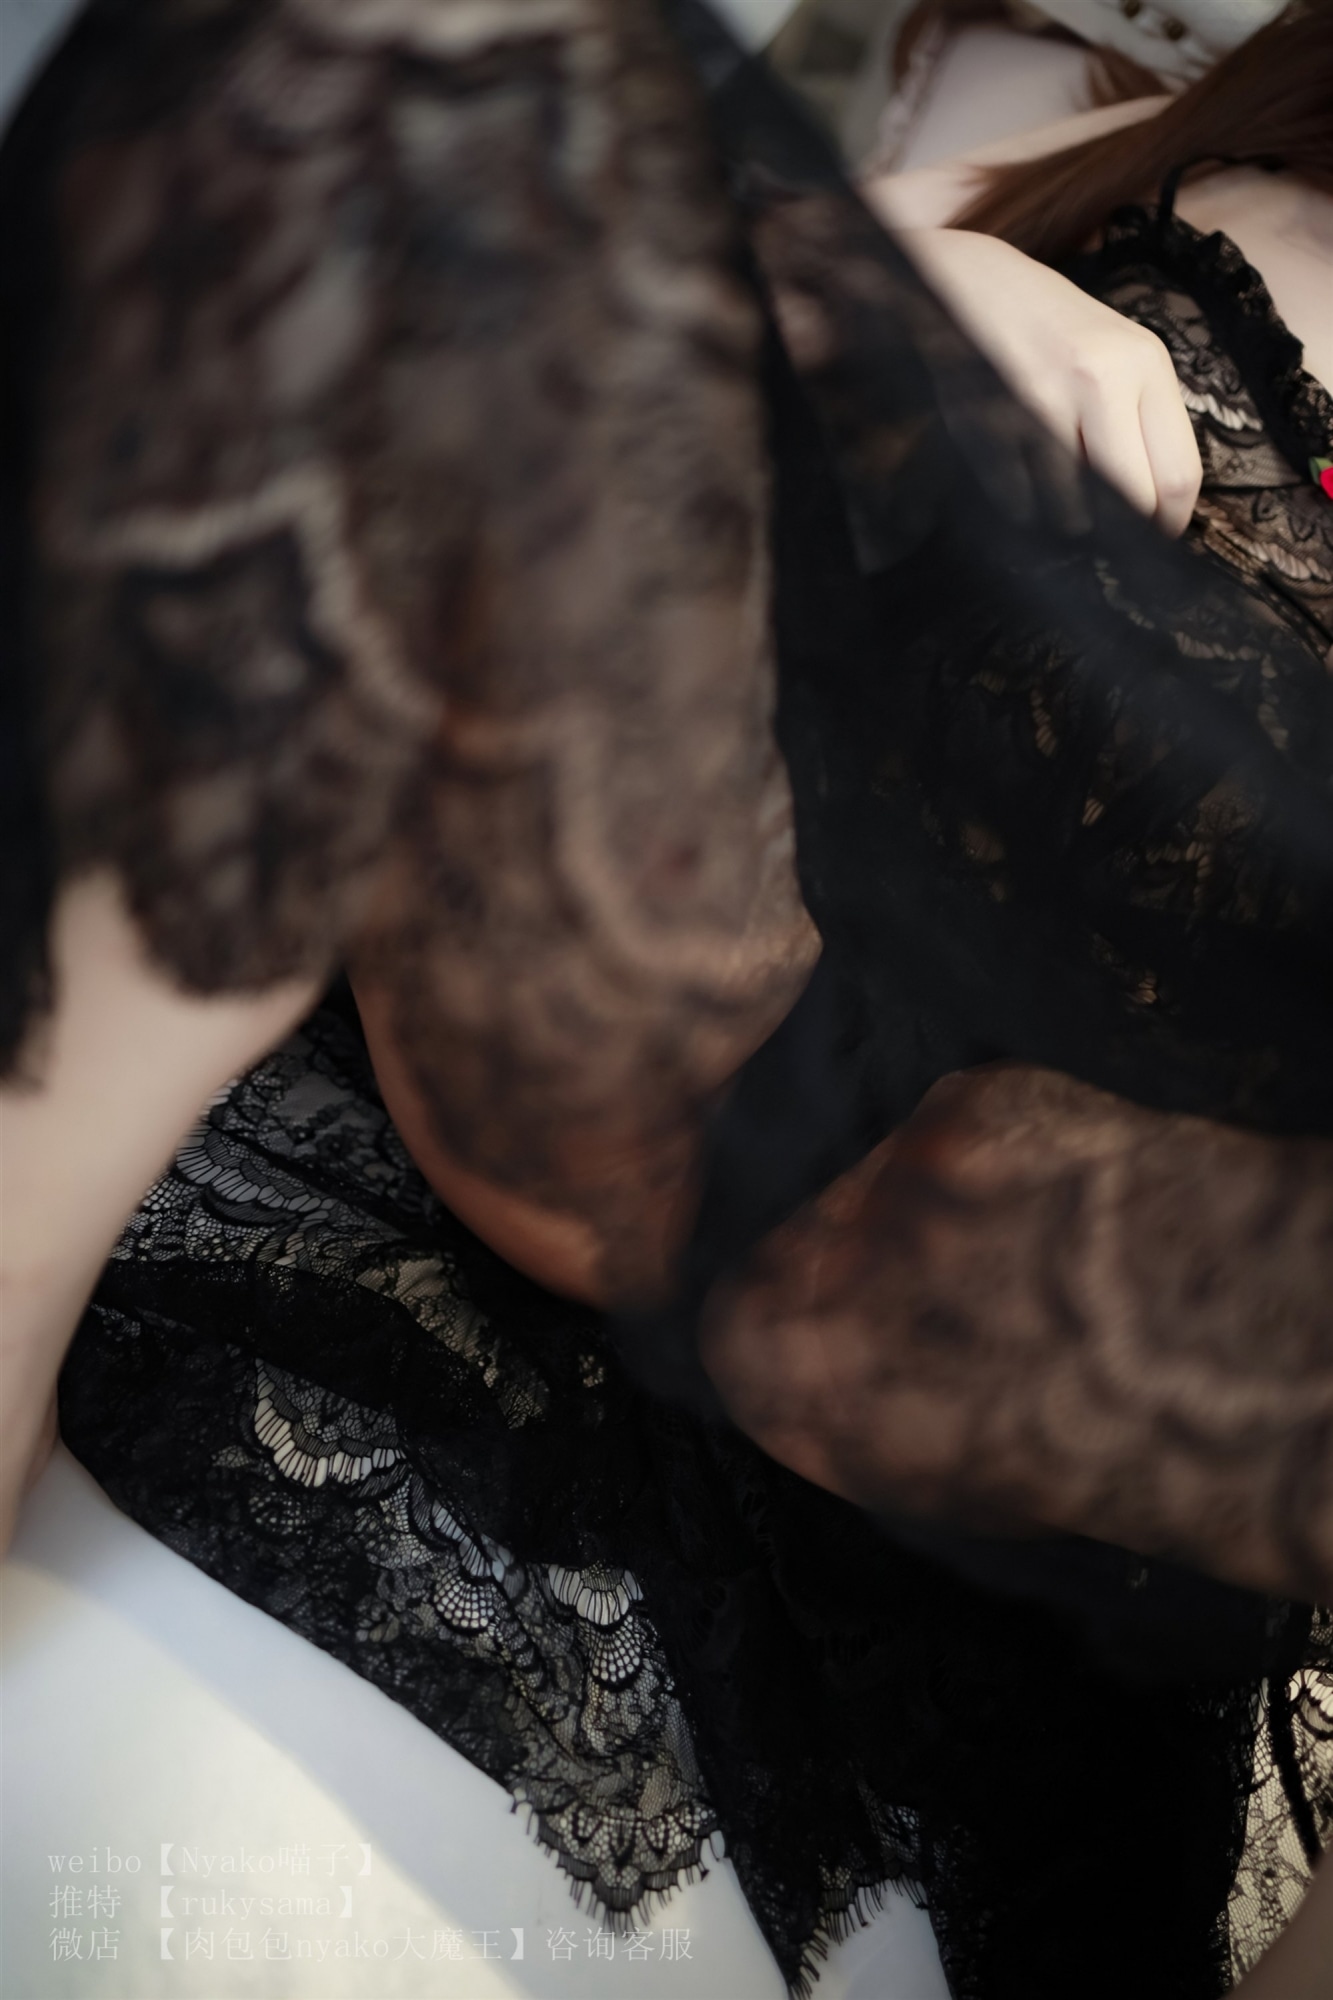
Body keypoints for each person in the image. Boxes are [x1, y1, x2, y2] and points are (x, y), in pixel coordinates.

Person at [2, 0, 1331, 1992]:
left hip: (1044, 1284)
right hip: (708, 947)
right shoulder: (1168, 139)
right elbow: (667, 279)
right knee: (390, 76)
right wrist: (927, 282)